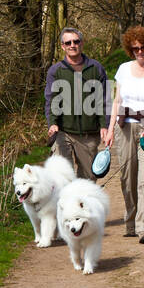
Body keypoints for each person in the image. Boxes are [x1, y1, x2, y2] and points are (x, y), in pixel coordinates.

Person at [104, 25, 144, 243]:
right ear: (130, 50)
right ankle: (130, 223)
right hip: (124, 128)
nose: (140, 52)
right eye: (135, 49)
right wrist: (111, 128)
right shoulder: (123, 69)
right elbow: (117, 101)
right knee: (127, 178)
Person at [44, 27, 109, 181]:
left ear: (82, 43)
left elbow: (105, 99)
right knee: (61, 178)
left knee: (87, 180)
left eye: (76, 41)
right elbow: (51, 100)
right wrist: (52, 123)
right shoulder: (55, 70)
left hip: (88, 134)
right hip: (63, 132)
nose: (72, 45)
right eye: (68, 42)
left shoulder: (96, 68)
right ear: (62, 46)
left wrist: (105, 125)